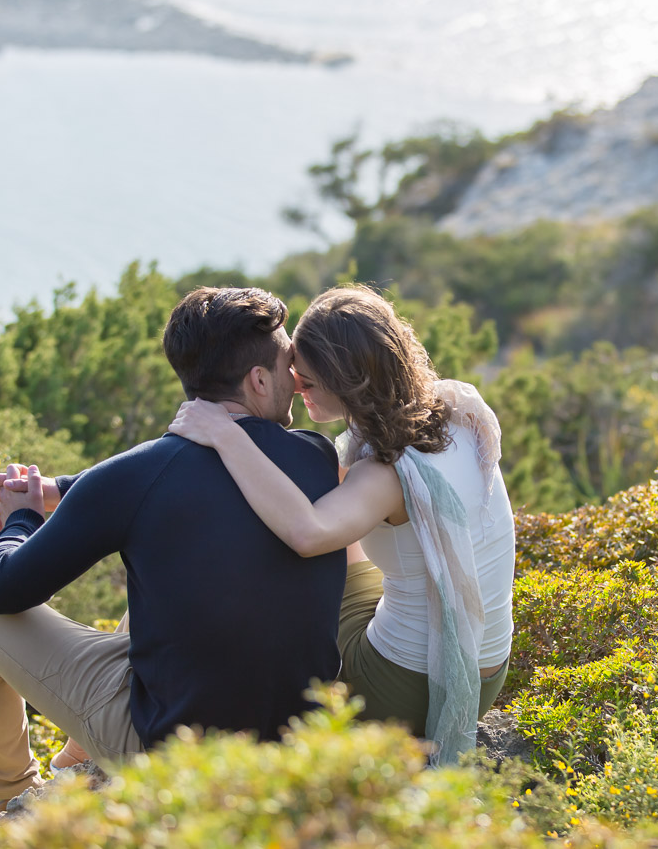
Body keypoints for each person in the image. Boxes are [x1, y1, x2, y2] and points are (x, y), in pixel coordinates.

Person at [0, 286, 345, 832]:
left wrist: (21, 518)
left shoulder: (137, 478)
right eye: (287, 364)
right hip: (298, 748)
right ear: (258, 380)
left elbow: (2, 591)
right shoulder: (317, 459)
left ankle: (9, 801)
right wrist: (59, 487)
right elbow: (173, 477)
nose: (296, 379)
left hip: (173, 756)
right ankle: (67, 764)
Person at [169, 285, 514, 763]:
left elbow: (309, 534)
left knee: (278, 555)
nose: (294, 384)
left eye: (308, 379)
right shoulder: (455, 414)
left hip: (408, 687)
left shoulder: (388, 470)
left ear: (347, 381)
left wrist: (224, 433)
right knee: (320, 506)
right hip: (487, 671)